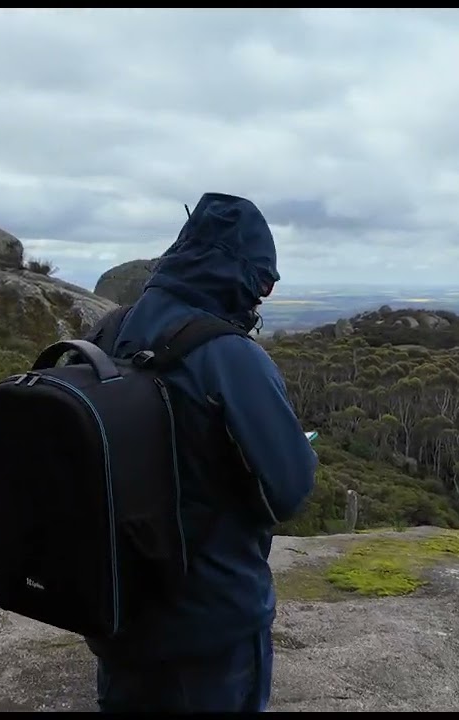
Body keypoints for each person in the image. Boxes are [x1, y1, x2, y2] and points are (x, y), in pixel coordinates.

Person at [82, 192, 319, 713]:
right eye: (264, 281)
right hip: (212, 624)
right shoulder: (230, 356)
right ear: (243, 277)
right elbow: (288, 490)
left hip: (118, 607)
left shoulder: (107, 330)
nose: (263, 297)